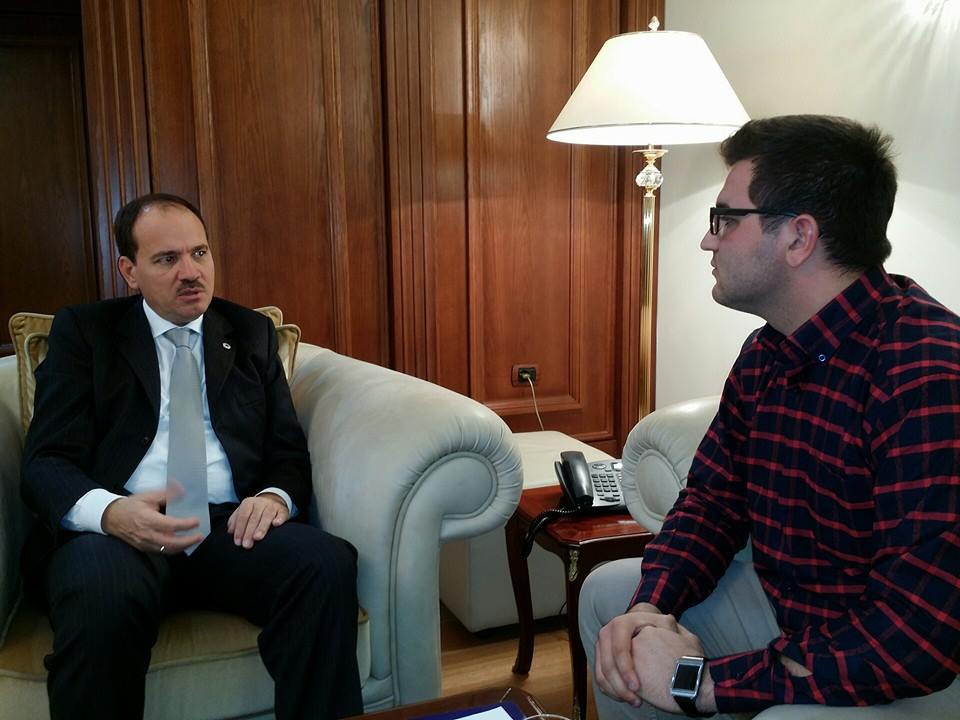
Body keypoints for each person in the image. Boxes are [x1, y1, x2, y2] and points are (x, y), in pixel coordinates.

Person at [580, 115, 960, 719]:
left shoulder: (928, 374)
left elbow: (913, 636)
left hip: (907, 665)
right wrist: (650, 608)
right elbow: (713, 502)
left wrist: (703, 684)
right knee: (611, 599)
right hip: (793, 615)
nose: (708, 241)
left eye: (725, 219)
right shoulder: (767, 352)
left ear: (798, 237)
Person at [20, 193, 364, 720]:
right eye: (167, 259)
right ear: (129, 271)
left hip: (229, 528)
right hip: (119, 532)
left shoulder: (249, 333)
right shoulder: (85, 334)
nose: (191, 272)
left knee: (325, 564)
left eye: (199, 253)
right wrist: (110, 512)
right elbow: (45, 461)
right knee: (100, 592)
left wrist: (274, 497)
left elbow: (287, 452)